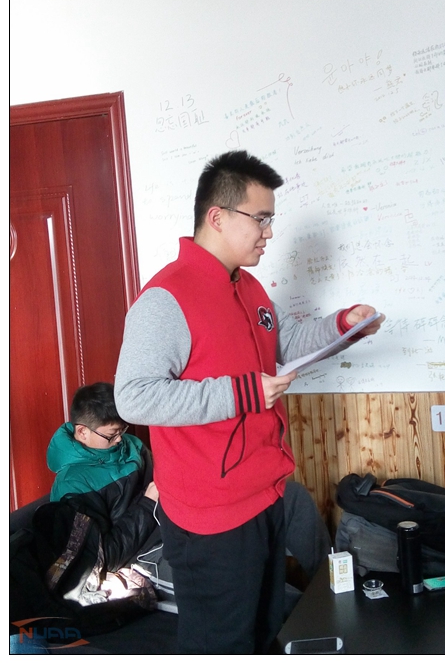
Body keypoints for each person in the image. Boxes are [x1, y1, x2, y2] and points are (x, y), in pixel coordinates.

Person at [114, 150, 384, 654]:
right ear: (217, 217)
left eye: (270, 219)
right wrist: (244, 392)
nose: (269, 232)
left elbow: (285, 342)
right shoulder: (166, 298)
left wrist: (345, 326)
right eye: (260, 218)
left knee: (262, 634)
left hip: (265, 495)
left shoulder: (248, 285)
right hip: (210, 516)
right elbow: (133, 397)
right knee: (222, 645)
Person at [46, 382, 159, 585]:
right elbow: (105, 558)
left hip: (159, 527)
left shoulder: (131, 446)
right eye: (111, 435)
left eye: (122, 430)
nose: (119, 440)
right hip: (133, 558)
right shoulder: (73, 485)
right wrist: (148, 504)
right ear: (82, 432)